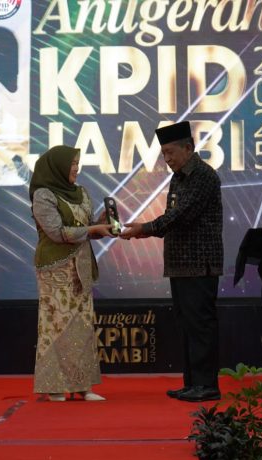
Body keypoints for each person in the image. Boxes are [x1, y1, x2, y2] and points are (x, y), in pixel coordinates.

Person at [121, 121, 223, 403]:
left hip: (199, 263)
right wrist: (146, 230)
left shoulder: (203, 175)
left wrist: (144, 229)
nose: (166, 159)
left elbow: (180, 216)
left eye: (170, 152)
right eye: (163, 153)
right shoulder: (178, 177)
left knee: (200, 325)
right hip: (180, 263)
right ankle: (192, 383)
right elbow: (172, 218)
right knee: (187, 326)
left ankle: (207, 385)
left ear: (188, 148)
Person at [29, 145, 114, 402]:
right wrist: (92, 230)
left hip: (82, 266)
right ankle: (54, 386)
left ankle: (82, 386)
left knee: (82, 326)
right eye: (72, 163)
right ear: (57, 166)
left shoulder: (82, 192)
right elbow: (57, 233)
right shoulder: (43, 195)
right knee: (56, 326)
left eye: (77, 163)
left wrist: (102, 223)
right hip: (56, 269)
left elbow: (84, 230)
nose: (76, 168)